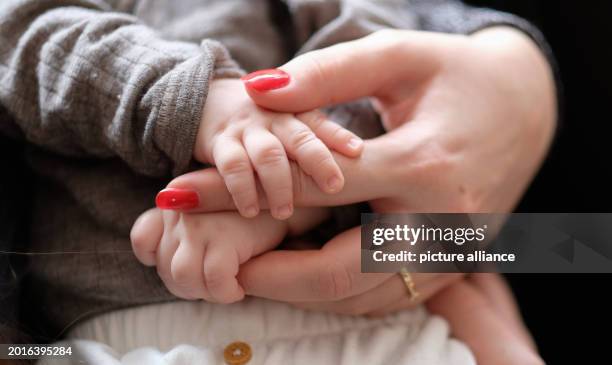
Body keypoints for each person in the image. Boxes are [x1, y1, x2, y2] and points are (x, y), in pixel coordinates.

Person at [0, 0, 556, 364]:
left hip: (385, 338)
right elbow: (29, 42)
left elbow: (568, 246)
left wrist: (286, 196)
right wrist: (198, 101)